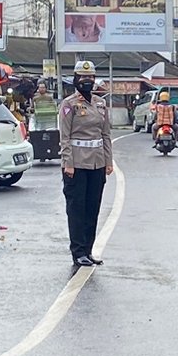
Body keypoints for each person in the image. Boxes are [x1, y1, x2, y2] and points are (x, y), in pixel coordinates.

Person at [60, 59, 114, 267]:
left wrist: (108, 161)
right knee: (77, 209)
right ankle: (78, 252)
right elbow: (65, 137)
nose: (87, 80)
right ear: (75, 79)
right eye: (83, 77)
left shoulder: (100, 104)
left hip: (97, 163)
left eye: (91, 76)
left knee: (93, 208)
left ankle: (88, 250)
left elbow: (105, 134)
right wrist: (68, 163)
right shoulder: (69, 104)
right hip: (76, 164)